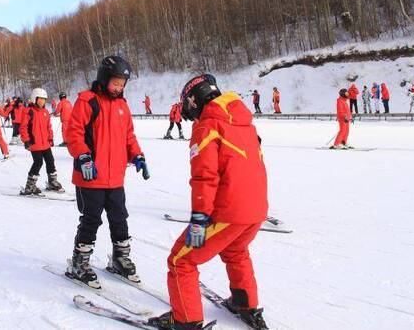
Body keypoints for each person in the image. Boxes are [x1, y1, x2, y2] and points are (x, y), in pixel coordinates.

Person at [150, 74, 268, 330]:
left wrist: (200, 218)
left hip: (228, 212)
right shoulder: (245, 123)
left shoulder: (208, 126)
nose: (192, 118)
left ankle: (186, 320)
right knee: (236, 251)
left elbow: (205, 176)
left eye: (190, 112)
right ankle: (244, 302)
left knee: (181, 260)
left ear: (194, 102)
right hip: (255, 210)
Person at [65, 55, 149, 288]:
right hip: (91, 175)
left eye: (122, 84)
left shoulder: (122, 106)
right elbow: (74, 132)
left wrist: (138, 156)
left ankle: (121, 258)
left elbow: (128, 137)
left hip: (115, 178)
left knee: (119, 218)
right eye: (115, 83)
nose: (119, 88)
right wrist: (82, 155)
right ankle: (80, 262)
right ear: (104, 79)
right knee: (91, 219)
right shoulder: (88, 101)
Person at [19, 88, 63, 194]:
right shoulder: (29, 111)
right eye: (40, 99)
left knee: (50, 161)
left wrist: (50, 138)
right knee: (38, 162)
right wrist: (26, 140)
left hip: (45, 143)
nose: (42, 102)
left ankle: (52, 182)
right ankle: (30, 186)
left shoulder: (45, 112)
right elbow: (23, 127)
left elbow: (49, 127)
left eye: (44, 100)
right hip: (34, 143)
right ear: (35, 99)